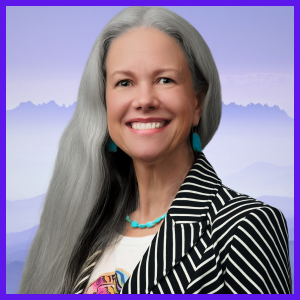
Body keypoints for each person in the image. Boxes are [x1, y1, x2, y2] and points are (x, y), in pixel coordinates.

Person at [18, 6, 292, 294]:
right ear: (104, 105)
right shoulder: (86, 229)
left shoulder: (246, 229)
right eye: (124, 82)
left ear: (197, 102)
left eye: (165, 80)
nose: (145, 100)